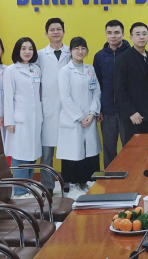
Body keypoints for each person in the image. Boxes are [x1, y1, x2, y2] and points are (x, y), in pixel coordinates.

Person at [57, 37, 101, 193]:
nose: (80, 51)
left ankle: (86, 182)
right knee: (73, 152)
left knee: (89, 152)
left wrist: (92, 113)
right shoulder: (65, 71)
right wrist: (80, 117)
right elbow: (65, 97)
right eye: (76, 48)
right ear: (71, 51)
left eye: (83, 48)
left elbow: (96, 92)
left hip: (89, 117)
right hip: (73, 118)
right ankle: (72, 184)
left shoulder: (90, 69)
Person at [3, 37, 44, 197]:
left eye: (30, 49)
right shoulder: (11, 70)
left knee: (32, 154)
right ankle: (19, 191)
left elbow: (38, 95)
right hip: (19, 119)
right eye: (24, 48)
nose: (27, 52)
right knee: (20, 154)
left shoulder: (36, 69)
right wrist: (9, 121)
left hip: (35, 119)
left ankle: (28, 187)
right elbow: (8, 97)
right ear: (18, 51)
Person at [35, 17, 69, 194]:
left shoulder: (71, 52)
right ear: (46, 34)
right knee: (47, 152)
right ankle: (47, 185)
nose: (56, 32)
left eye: (59, 29)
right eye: (52, 30)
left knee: (68, 149)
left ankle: (68, 181)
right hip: (47, 108)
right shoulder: (39, 55)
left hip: (67, 108)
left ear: (63, 32)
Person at [92, 19, 130, 168]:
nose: (113, 36)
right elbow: (97, 85)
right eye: (109, 33)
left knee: (130, 149)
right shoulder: (99, 56)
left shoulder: (130, 53)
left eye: (116, 32)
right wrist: (99, 108)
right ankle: (110, 178)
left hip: (127, 112)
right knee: (109, 149)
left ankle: (131, 178)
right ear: (106, 34)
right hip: (107, 111)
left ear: (123, 34)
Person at [113, 22, 148, 145]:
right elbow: (119, 89)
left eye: (144, 34)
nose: (141, 37)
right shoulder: (123, 59)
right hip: (132, 116)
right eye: (138, 34)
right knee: (132, 151)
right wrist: (131, 112)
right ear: (131, 37)